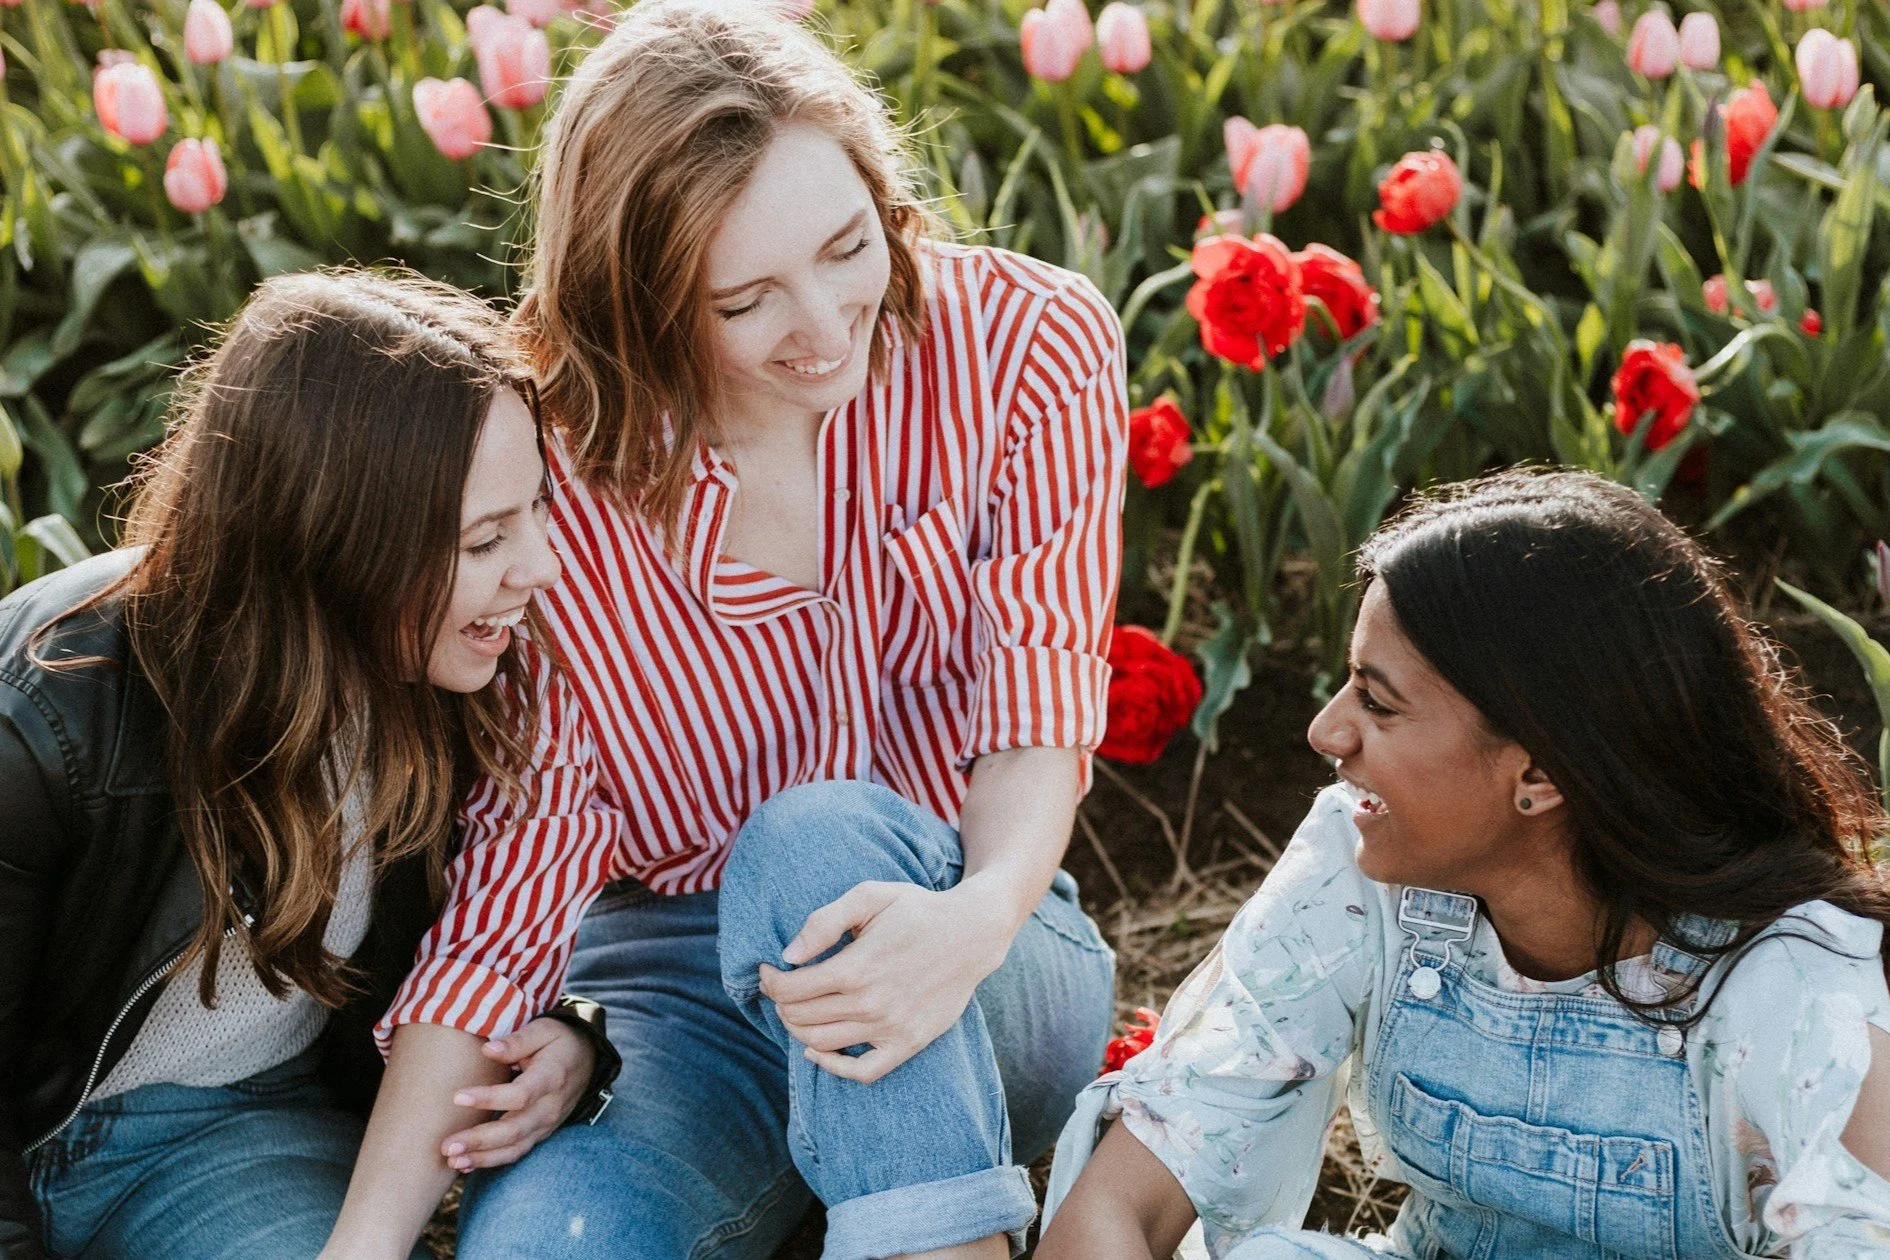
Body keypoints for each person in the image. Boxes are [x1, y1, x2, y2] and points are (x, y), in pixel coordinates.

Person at [330, 2, 1128, 1256]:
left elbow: (1039, 710)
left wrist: (969, 924)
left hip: (981, 937)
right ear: (635, 305)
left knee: (815, 847)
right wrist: (361, 1248)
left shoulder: (1030, 347)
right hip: (687, 991)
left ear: (881, 186)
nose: (823, 329)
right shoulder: (559, 478)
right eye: (746, 299)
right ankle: (866, 1180)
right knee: (550, 1245)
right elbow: (517, 879)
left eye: (847, 245)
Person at [1038, 469, 1890, 1258]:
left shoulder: (1793, 984)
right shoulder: (1363, 876)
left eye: (1378, 702)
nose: (1327, 733)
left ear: (1541, 772)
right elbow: (1130, 1194)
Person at [1, 269, 622, 1260]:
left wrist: (573, 1034)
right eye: (485, 538)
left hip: (224, 1138)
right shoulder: (53, 712)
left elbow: (508, 926)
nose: (537, 567)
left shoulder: (470, 690)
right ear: (337, 547)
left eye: (534, 511)